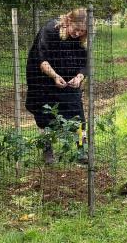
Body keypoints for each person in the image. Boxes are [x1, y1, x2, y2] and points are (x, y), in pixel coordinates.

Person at [25, 8, 88, 164]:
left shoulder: (80, 39)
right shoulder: (49, 31)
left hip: (69, 80)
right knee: (45, 114)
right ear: (68, 21)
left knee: (78, 115)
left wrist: (79, 77)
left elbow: (86, 63)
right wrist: (54, 76)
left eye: (82, 31)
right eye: (76, 29)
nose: (78, 33)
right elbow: (41, 59)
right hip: (44, 80)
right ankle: (47, 151)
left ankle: (82, 151)